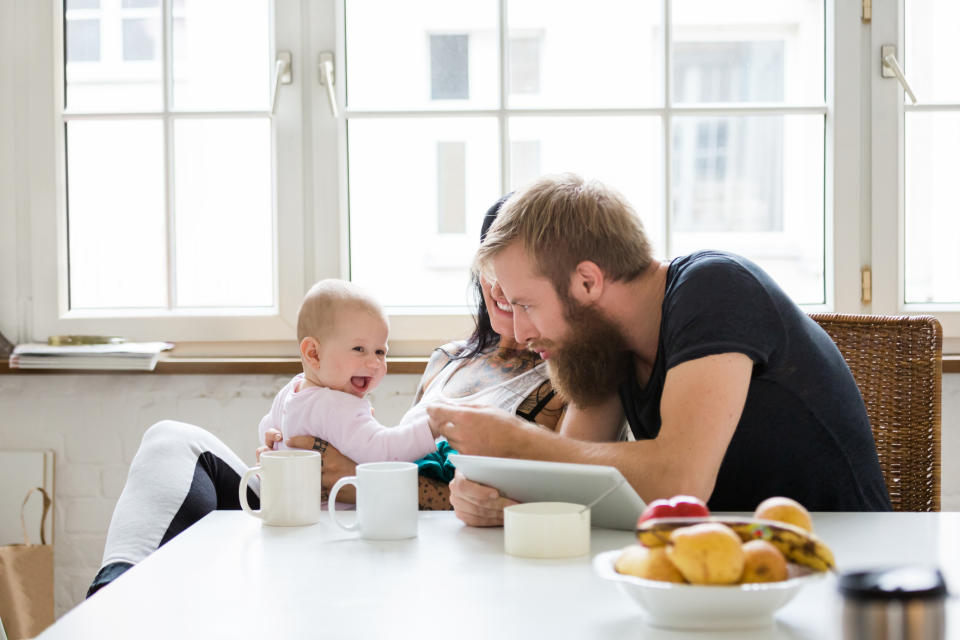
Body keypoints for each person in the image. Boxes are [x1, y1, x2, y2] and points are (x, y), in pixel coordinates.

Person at [87, 196, 566, 597]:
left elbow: (519, 504)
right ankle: (111, 596)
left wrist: (354, 478)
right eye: (491, 267)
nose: (501, 289)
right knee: (171, 438)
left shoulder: (559, 384)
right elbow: (387, 446)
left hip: (394, 531)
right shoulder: (449, 358)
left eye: (519, 278)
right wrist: (286, 447)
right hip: (323, 509)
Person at [429, 173, 892, 527]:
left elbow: (678, 479)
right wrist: (489, 494)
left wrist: (517, 443)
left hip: (840, 558)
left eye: (527, 305)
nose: (521, 332)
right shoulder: (602, 340)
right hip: (725, 563)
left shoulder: (715, 289)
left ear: (587, 281)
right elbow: (569, 472)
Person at [258, 278, 438, 463]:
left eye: (380, 352)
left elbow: (267, 427)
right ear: (314, 354)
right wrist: (431, 427)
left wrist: (273, 443)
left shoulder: (292, 390)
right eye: (359, 349)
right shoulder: (335, 405)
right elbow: (382, 451)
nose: (375, 363)